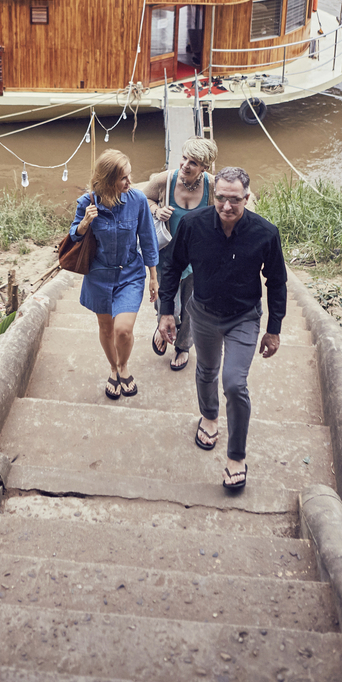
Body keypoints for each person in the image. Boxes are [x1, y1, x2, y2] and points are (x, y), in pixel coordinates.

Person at [157, 166, 286, 492]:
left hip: (244, 317)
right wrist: (166, 312)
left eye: (235, 200)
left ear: (247, 198)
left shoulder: (265, 233)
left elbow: (277, 282)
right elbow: (171, 266)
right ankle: (210, 417)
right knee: (207, 371)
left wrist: (274, 328)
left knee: (233, 382)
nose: (227, 206)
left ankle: (236, 457)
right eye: (221, 199)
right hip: (203, 313)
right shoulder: (192, 225)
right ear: (215, 196)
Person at [69, 150, 159, 401]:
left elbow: (148, 240)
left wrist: (153, 276)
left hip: (130, 273)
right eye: (123, 178)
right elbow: (74, 235)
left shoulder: (138, 200)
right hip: (98, 275)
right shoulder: (86, 202)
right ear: (108, 181)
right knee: (106, 328)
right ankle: (113, 368)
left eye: (129, 176)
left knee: (123, 330)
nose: (130, 182)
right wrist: (85, 222)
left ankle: (124, 365)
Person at [137, 136, 219, 371]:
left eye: (193, 163)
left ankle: (183, 346)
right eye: (184, 158)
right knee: (165, 302)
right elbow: (144, 197)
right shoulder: (167, 179)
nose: (185, 165)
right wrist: (157, 210)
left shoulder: (213, 186)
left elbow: (229, 211)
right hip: (166, 257)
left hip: (197, 260)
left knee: (191, 307)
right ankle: (163, 325)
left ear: (204, 167)